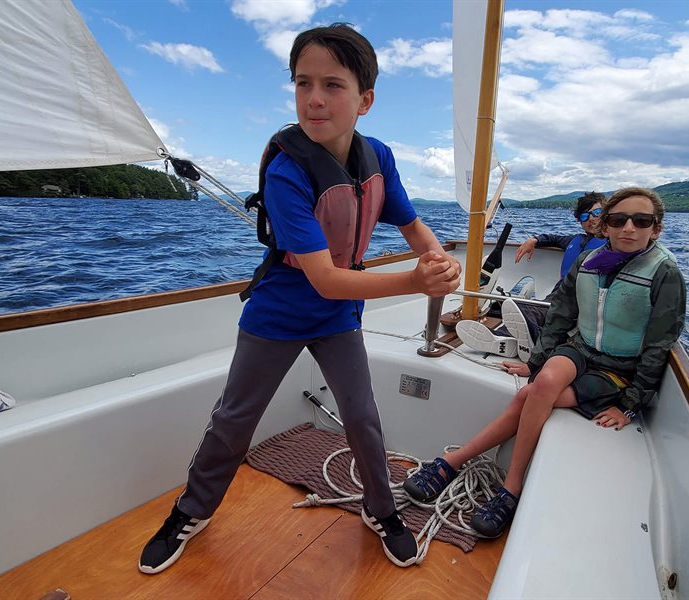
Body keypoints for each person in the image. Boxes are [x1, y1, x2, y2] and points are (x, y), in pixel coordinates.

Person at [139, 24, 462, 574]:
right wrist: (415, 283)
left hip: (339, 316)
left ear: (365, 100)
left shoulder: (377, 156)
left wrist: (439, 259)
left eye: (332, 85)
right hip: (283, 308)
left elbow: (411, 225)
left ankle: (381, 509)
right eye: (303, 83)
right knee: (235, 419)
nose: (314, 98)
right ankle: (190, 511)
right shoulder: (288, 172)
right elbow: (326, 279)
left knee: (362, 416)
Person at [404, 187, 685, 538]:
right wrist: (537, 364)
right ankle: (487, 478)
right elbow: (561, 313)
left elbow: (660, 342)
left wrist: (629, 406)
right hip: (580, 350)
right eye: (618, 219)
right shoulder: (588, 261)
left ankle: (475, 472)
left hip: (619, 370)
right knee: (545, 382)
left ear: (655, 229)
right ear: (605, 227)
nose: (629, 227)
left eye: (640, 221)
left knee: (529, 397)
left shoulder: (664, 272)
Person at [458, 193, 607, 361]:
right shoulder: (574, 240)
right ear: (580, 221)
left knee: (540, 311)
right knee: (533, 308)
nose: (591, 219)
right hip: (561, 292)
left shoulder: (612, 244)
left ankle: (510, 337)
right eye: (585, 216)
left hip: (585, 296)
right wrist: (534, 240)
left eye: (597, 213)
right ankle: (500, 339)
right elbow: (552, 238)